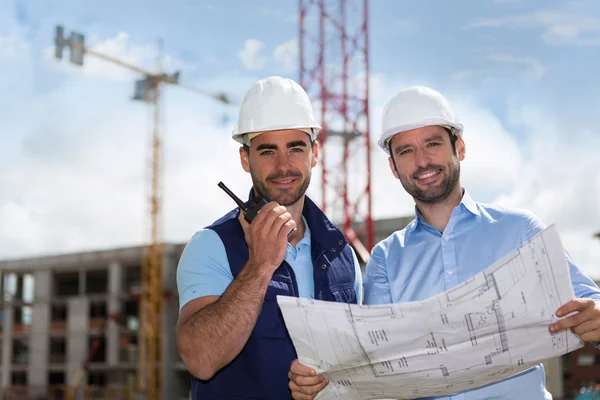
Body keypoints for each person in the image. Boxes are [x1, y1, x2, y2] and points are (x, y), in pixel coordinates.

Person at [288, 86, 600, 399]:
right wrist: (323, 381)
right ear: (394, 168)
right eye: (406, 151)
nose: (422, 161)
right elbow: (375, 364)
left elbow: (589, 302)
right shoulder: (385, 258)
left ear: (459, 147)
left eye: (432, 144)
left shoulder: (520, 231)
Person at [175, 75, 363, 400]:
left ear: (315, 153)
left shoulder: (341, 253)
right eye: (267, 151)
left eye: (296, 148)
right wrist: (260, 265)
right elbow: (200, 359)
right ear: (245, 159)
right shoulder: (211, 246)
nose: (283, 165)